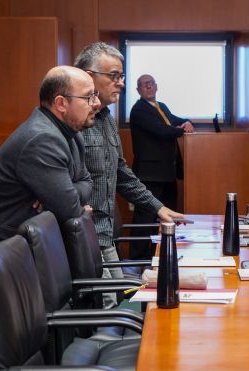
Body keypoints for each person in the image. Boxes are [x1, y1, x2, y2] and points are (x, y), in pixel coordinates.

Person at [0, 65, 99, 371]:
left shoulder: (69, 136)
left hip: (14, 252)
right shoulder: (41, 139)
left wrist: (65, 191)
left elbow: (87, 183)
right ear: (61, 103)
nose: (96, 103)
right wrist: (69, 196)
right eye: (88, 97)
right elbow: (73, 208)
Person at [73, 43, 183, 307]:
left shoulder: (106, 118)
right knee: (106, 311)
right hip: (84, 240)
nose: (120, 83)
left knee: (117, 302)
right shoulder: (73, 122)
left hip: (105, 235)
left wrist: (158, 208)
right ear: (89, 76)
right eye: (114, 76)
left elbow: (121, 172)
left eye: (121, 76)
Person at [128, 75, 194, 259]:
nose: (148, 87)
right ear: (138, 90)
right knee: (145, 220)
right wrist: (182, 129)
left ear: (156, 87)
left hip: (167, 174)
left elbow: (174, 120)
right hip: (149, 175)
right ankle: (137, 261)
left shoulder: (161, 106)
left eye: (150, 84)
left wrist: (187, 122)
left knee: (167, 217)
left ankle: (162, 257)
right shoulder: (139, 110)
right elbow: (161, 130)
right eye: (143, 85)